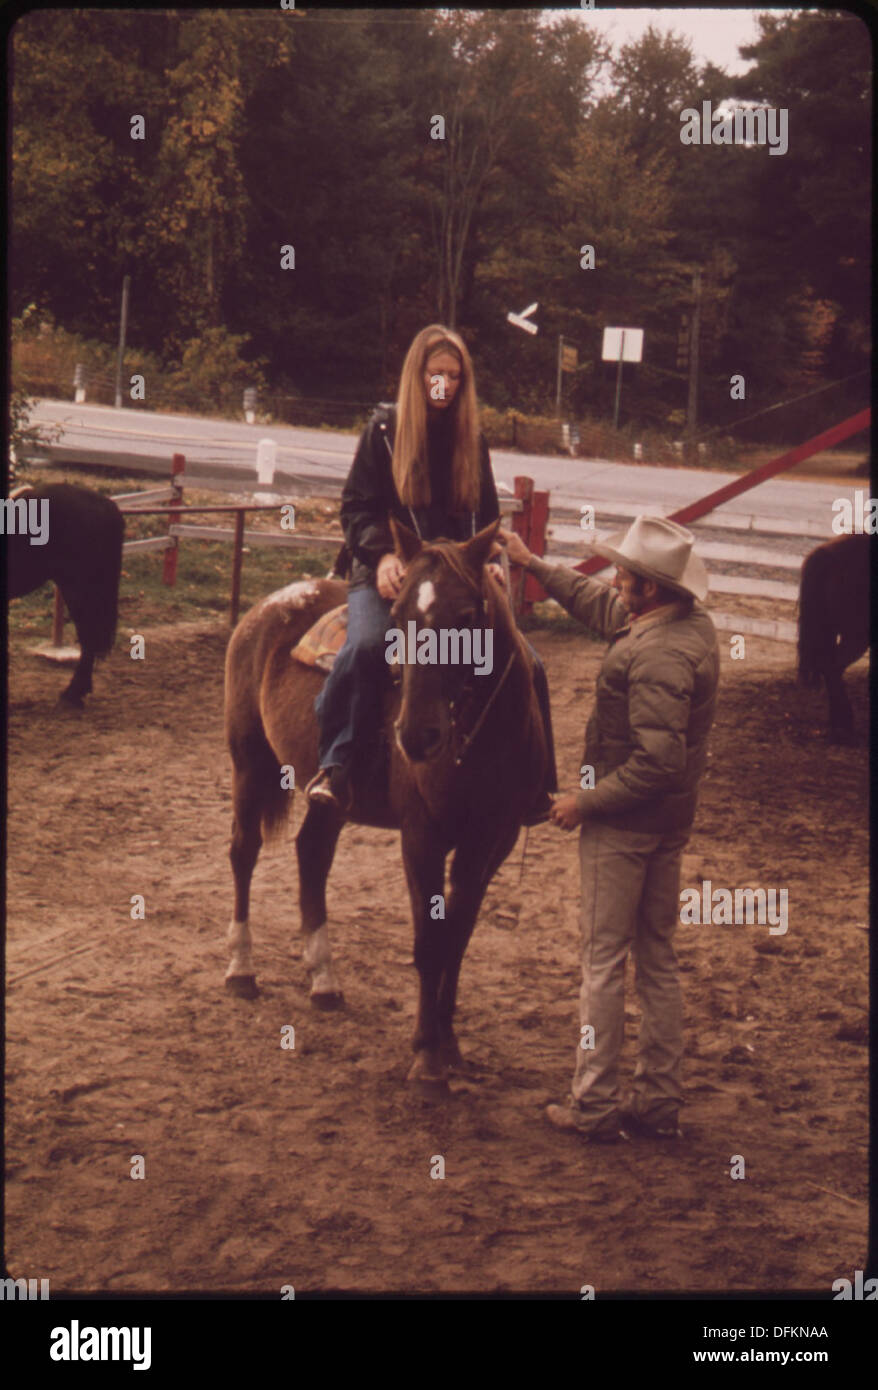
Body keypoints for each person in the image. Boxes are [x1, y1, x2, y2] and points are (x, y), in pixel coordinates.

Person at [501, 515, 720, 1141]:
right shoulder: (684, 626)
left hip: (625, 826)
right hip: (669, 823)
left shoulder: (654, 657)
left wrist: (583, 803)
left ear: (650, 589)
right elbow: (597, 603)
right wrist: (533, 562)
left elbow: (656, 762)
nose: (615, 578)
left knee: (601, 963)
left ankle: (593, 1105)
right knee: (656, 959)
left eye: (625, 572)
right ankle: (658, 1103)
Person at [306, 323, 557, 818]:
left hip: (455, 579)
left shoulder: (472, 439)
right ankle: (336, 764)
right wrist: (381, 556)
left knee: (528, 663)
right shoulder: (383, 433)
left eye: (454, 376)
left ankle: (538, 783)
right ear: (416, 377)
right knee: (367, 647)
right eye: (435, 375)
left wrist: (490, 561)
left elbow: (485, 518)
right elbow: (356, 507)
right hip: (390, 571)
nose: (444, 385)